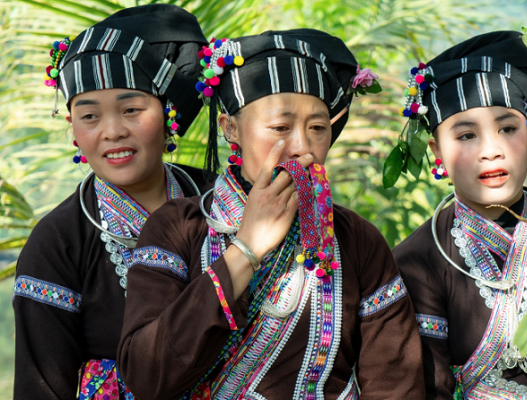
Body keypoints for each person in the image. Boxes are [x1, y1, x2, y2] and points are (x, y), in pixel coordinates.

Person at [117, 29, 425, 399]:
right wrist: (245, 249)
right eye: (280, 127)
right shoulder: (178, 228)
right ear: (229, 127)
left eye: (318, 129)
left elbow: (395, 382)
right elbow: (146, 377)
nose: (301, 147)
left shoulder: (356, 239)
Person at [13, 5, 209, 399]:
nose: (113, 131)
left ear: (169, 112)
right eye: (89, 116)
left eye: (132, 109)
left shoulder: (220, 200)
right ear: (73, 128)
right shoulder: (57, 242)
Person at [393, 31, 527, 399]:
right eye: (466, 135)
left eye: (507, 129)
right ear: (437, 150)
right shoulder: (418, 262)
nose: (491, 151)